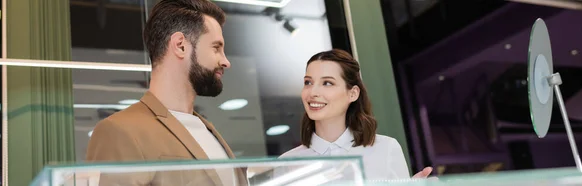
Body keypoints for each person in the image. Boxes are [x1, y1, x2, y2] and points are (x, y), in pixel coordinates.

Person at [86, 0, 246, 185]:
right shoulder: (119, 132)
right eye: (216, 48)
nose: (226, 61)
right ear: (180, 45)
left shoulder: (209, 131)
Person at [279, 49, 433, 181]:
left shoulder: (386, 149)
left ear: (352, 93)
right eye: (308, 82)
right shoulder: (287, 163)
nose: (312, 92)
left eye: (327, 83)